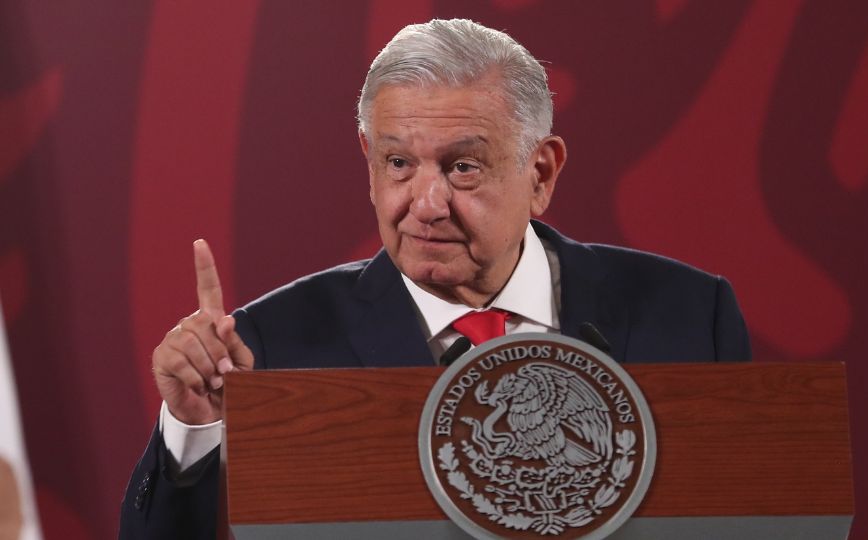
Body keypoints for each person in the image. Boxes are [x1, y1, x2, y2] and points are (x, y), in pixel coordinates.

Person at [119, 18, 750, 538]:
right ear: (368, 161)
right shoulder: (273, 346)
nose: (425, 203)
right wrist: (195, 429)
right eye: (399, 163)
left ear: (541, 173)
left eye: (463, 167)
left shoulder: (692, 316)